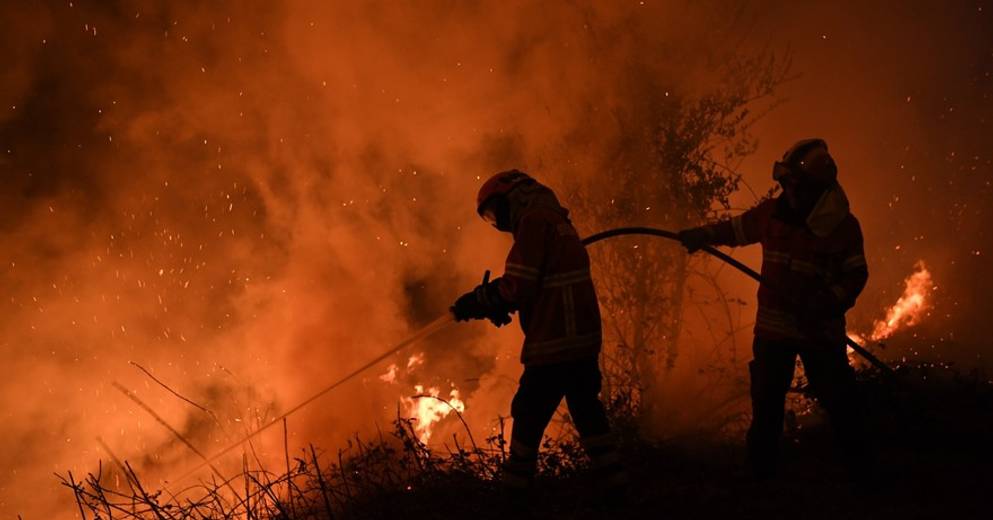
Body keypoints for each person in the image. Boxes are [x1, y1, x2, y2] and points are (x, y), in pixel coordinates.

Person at [677, 139, 870, 479]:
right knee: (766, 407)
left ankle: (860, 474)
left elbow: (855, 275)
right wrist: (701, 235)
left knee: (840, 403)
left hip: (818, 331)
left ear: (815, 187)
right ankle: (761, 479)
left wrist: (826, 302)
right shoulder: (774, 214)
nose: (788, 191)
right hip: (774, 333)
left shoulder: (842, 226)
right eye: (787, 183)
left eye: (795, 185)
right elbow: (736, 229)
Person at [451, 169, 625, 492]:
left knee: (528, 412)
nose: (498, 222)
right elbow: (540, 283)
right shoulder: (556, 220)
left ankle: (516, 490)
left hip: (555, 341)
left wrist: (481, 300)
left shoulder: (532, 221)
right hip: (582, 341)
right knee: (587, 409)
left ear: (513, 196)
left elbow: (518, 283)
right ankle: (614, 482)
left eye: (495, 212)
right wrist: (503, 304)